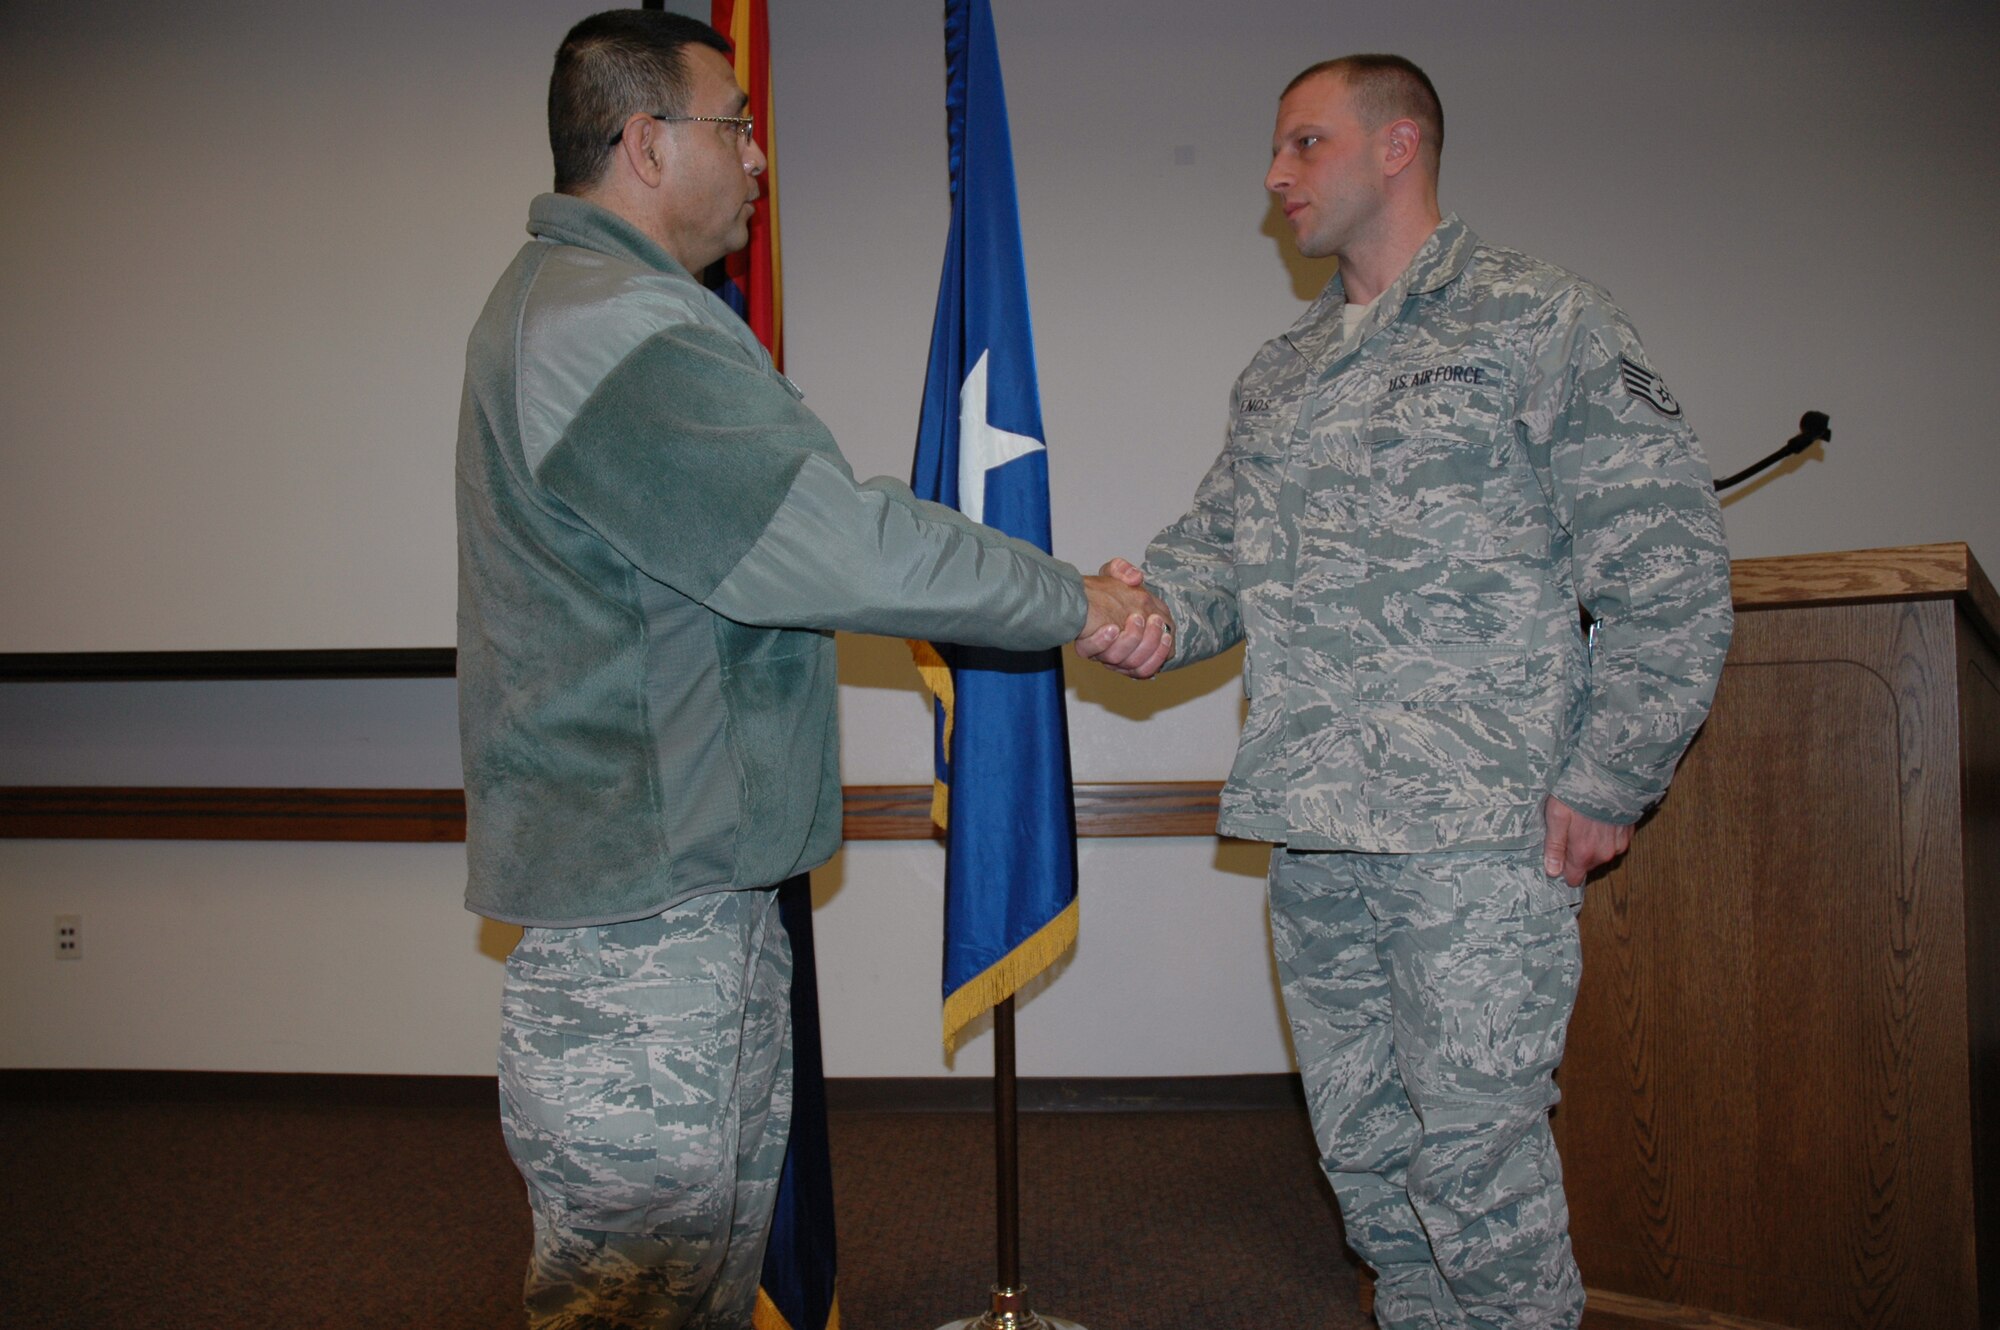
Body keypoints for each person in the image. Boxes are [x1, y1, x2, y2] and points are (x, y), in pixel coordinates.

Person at [454, 12, 1170, 1328]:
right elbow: (830, 538)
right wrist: (1072, 599)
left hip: (678, 901)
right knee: (640, 1298)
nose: (761, 154)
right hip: (642, 933)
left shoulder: (613, 313)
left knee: (701, 1288)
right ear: (647, 143)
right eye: (737, 123)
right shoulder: (611, 328)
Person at [1081, 55, 1733, 1330]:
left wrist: (1610, 777)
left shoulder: (1538, 320)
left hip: (1475, 835)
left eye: (1303, 144)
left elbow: (1668, 566)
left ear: (1397, 147)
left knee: (1478, 1171)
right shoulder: (1278, 373)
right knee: (1370, 1170)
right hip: (1317, 830)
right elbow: (1212, 562)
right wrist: (1137, 607)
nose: (1273, 177)